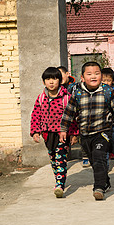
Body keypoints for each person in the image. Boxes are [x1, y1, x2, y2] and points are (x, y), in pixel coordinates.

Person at [60, 62, 114, 201]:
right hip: (84, 134)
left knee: (99, 156)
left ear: (101, 76)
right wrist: (64, 129)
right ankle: (105, 181)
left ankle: (99, 187)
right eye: (89, 74)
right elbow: (69, 112)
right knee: (94, 161)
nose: (93, 76)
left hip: (103, 132)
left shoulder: (108, 91)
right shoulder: (77, 92)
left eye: (97, 73)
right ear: (82, 77)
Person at [30, 67, 78, 198]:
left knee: (60, 158)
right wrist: (35, 131)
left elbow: (73, 117)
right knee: (52, 159)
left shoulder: (66, 98)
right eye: (48, 79)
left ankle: (60, 185)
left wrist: (73, 133)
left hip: (62, 134)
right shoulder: (41, 98)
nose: (51, 82)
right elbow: (35, 115)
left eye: (55, 78)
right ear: (43, 82)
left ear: (60, 81)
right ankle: (58, 179)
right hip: (47, 134)